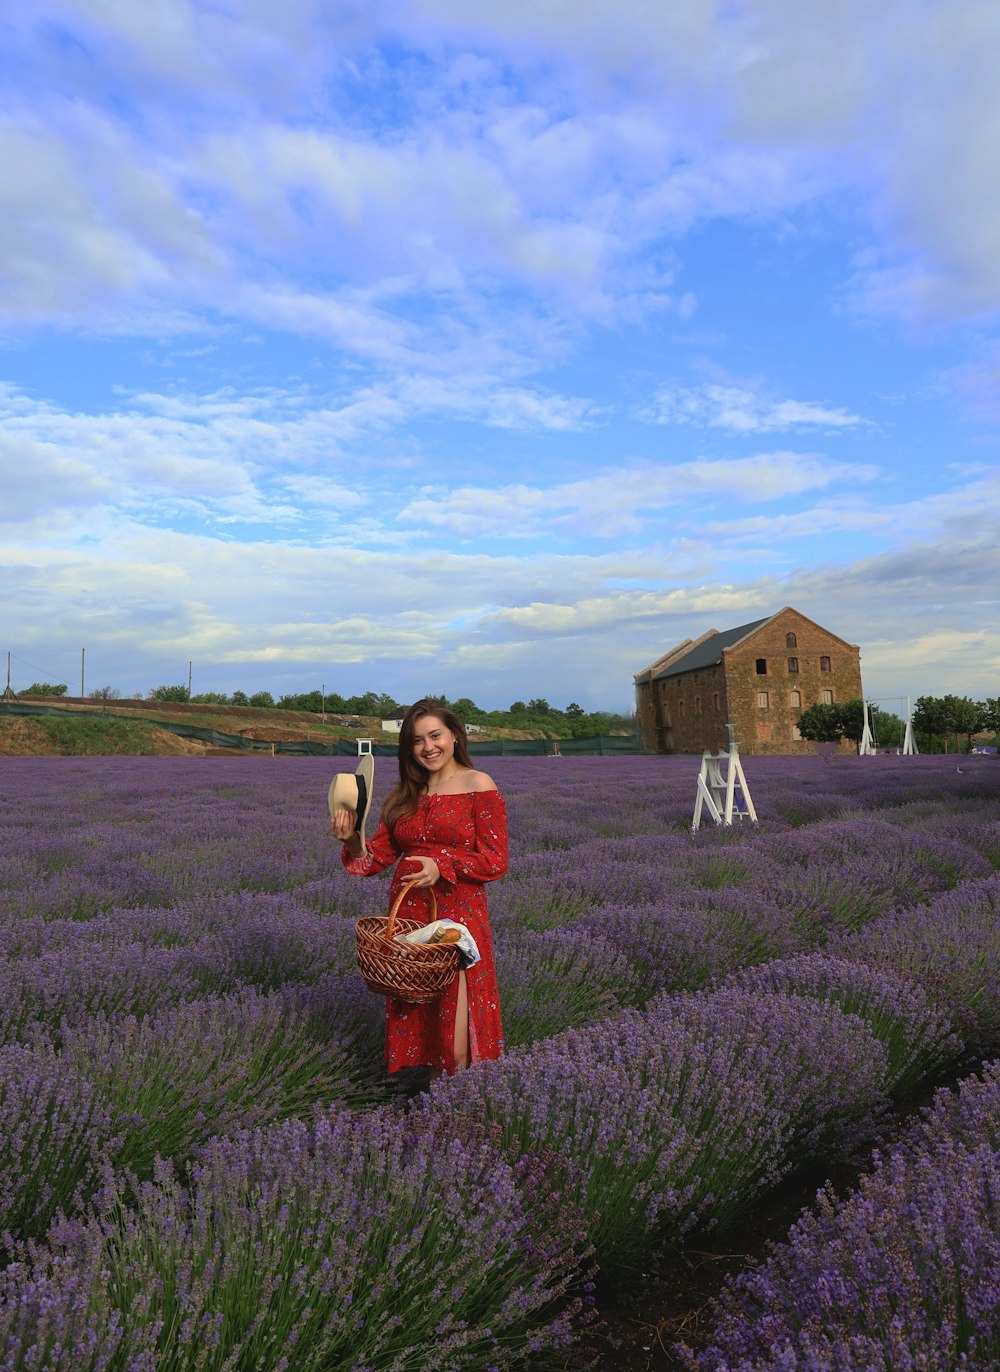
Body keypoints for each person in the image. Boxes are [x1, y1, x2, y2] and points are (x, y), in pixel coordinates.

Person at [331, 700, 507, 1076]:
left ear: (455, 737)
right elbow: (372, 858)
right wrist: (350, 840)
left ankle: (466, 1113)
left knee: (458, 1037)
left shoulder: (479, 785)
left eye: (435, 735)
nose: (428, 747)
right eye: (416, 740)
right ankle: (434, 1116)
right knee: (426, 1027)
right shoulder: (403, 795)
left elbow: (495, 861)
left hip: (457, 924)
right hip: (410, 920)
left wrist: (442, 866)